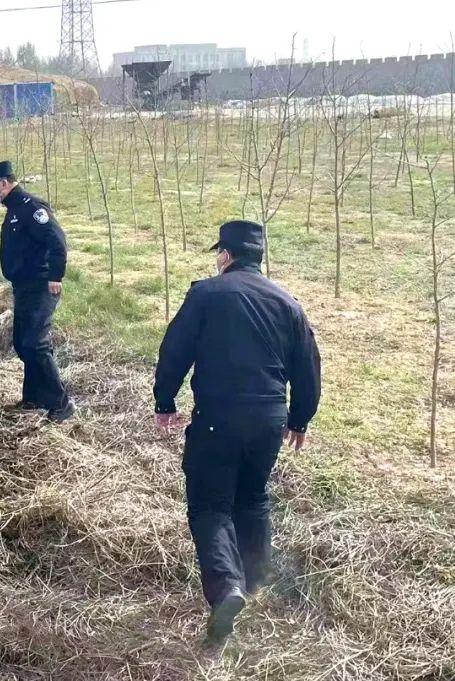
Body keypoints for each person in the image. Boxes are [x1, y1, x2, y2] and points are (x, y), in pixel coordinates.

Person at [152, 220, 321, 646]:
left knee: (210, 506)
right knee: (253, 496)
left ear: (225, 256)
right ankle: (256, 579)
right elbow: (308, 365)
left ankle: (227, 589)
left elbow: (175, 350)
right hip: (269, 420)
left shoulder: (206, 294)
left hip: (217, 418)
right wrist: (300, 418)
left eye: (218, 254)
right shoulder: (288, 302)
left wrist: (165, 402)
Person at [0, 161, 75, 423]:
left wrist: (55, 275)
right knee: (23, 344)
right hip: (23, 287)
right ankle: (33, 399)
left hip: (41, 285)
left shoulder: (32, 208)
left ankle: (61, 404)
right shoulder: (13, 209)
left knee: (36, 344)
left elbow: (57, 241)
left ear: (4, 183)